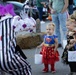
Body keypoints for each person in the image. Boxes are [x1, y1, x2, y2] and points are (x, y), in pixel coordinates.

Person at [0, 4, 32, 75]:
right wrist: (27, 18)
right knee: (25, 68)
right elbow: (30, 26)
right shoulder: (11, 21)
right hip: (7, 58)